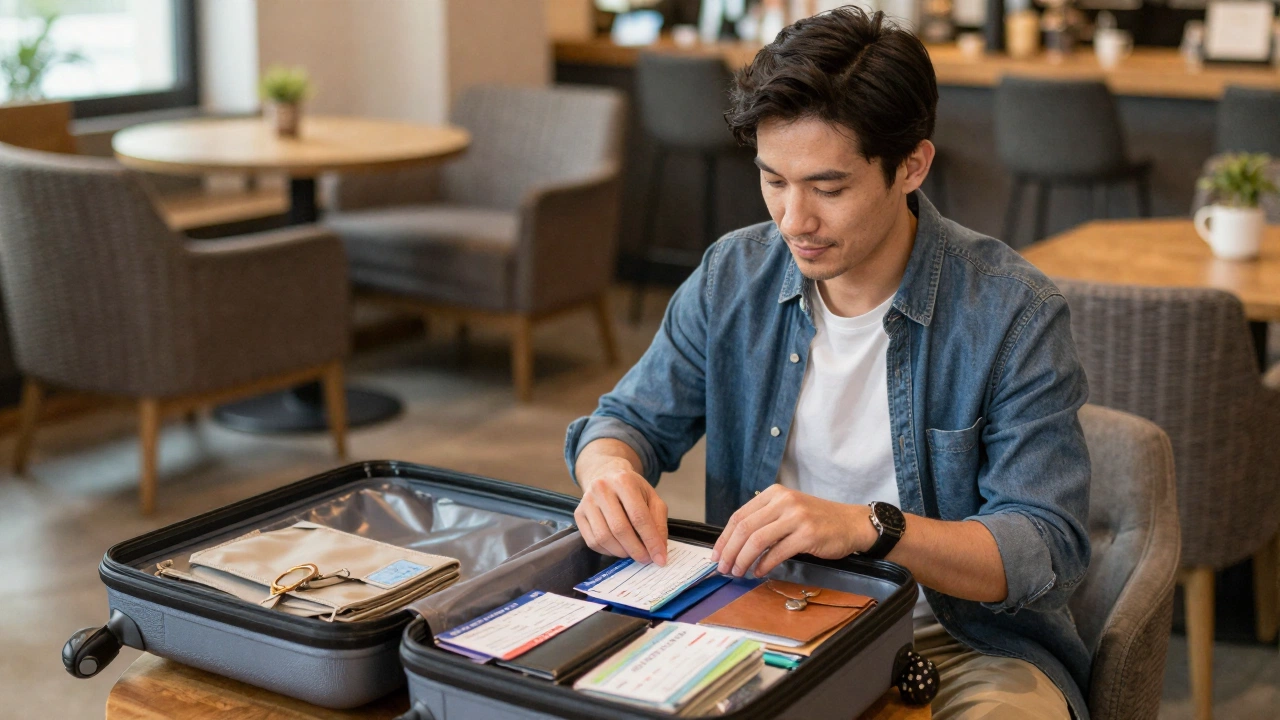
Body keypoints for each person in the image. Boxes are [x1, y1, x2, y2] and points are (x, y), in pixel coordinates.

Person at [564, 7, 1091, 720]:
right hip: (759, 614)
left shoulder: (1010, 311)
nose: (793, 219)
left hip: (955, 641)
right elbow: (624, 421)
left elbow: (1044, 544)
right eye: (773, 180)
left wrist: (872, 527)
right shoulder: (733, 276)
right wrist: (610, 475)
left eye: (828, 187)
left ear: (911, 166)